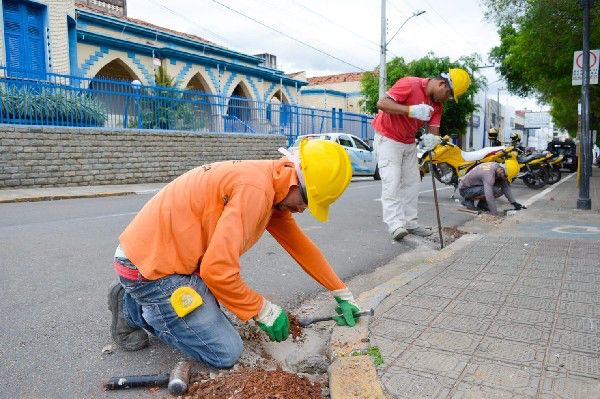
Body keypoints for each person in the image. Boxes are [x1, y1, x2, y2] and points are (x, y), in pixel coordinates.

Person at [107, 139, 362, 369]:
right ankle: (135, 310)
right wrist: (264, 311)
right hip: (152, 273)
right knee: (225, 352)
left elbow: (301, 246)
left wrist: (341, 292)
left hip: (163, 262)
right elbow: (217, 271)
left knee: (219, 322)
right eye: (306, 200)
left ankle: (136, 298)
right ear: (296, 180)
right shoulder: (256, 190)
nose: (303, 209)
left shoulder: (270, 182)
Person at [372, 68, 471, 241]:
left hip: (408, 142)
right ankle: (395, 225)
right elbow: (382, 104)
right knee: (392, 182)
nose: (446, 99)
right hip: (387, 139)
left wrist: (433, 140)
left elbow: (433, 130)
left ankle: (410, 223)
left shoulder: (437, 106)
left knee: (413, 182)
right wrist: (410, 110)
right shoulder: (410, 84)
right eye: (448, 94)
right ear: (441, 84)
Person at [458, 160, 525, 215]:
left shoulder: (498, 168)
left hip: (475, 186)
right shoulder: (489, 174)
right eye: (505, 175)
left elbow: (506, 187)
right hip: (465, 190)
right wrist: (494, 213)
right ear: (502, 170)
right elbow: (489, 195)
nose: (505, 177)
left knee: (500, 188)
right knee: (494, 190)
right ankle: (467, 201)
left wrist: (514, 203)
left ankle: (482, 204)